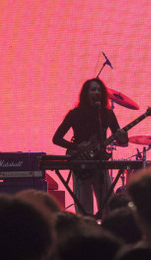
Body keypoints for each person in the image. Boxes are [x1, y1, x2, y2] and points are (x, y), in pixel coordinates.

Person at [53, 78, 128, 217]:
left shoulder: (107, 114)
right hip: (81, 163)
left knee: (108, 207)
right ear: (85, 93)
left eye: (99, 90)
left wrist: (123, 138)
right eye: (93, 89)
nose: (97, 92)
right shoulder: (75, 114)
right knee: (84, 209)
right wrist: (77, 147)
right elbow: (56, 138)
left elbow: (122, 140)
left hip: (101, 163)